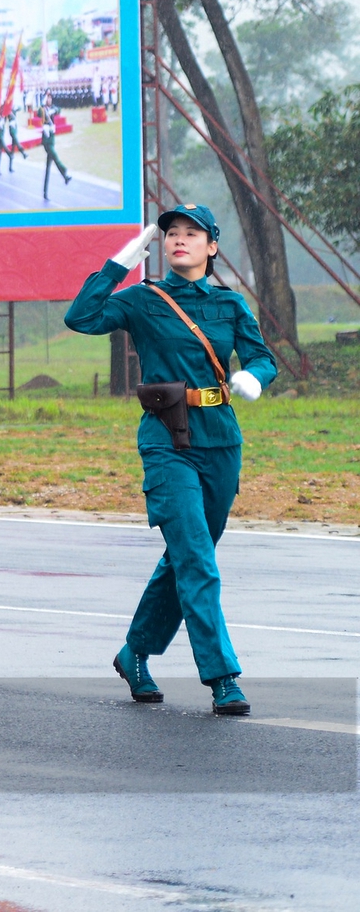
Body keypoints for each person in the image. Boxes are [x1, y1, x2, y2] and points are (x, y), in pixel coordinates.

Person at [65, 205, 275, 715]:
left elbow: (262, 357)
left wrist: (255, 378)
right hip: (166, 440)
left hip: (221, 439)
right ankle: (222, 676)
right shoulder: (143, 299)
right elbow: (81, 317)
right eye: (170, 234)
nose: (179, 239)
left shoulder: (229, 305)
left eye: (191, 233)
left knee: (187, 556)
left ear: (212, 247)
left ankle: (134, 652)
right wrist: (121, 262)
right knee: (197, 559)